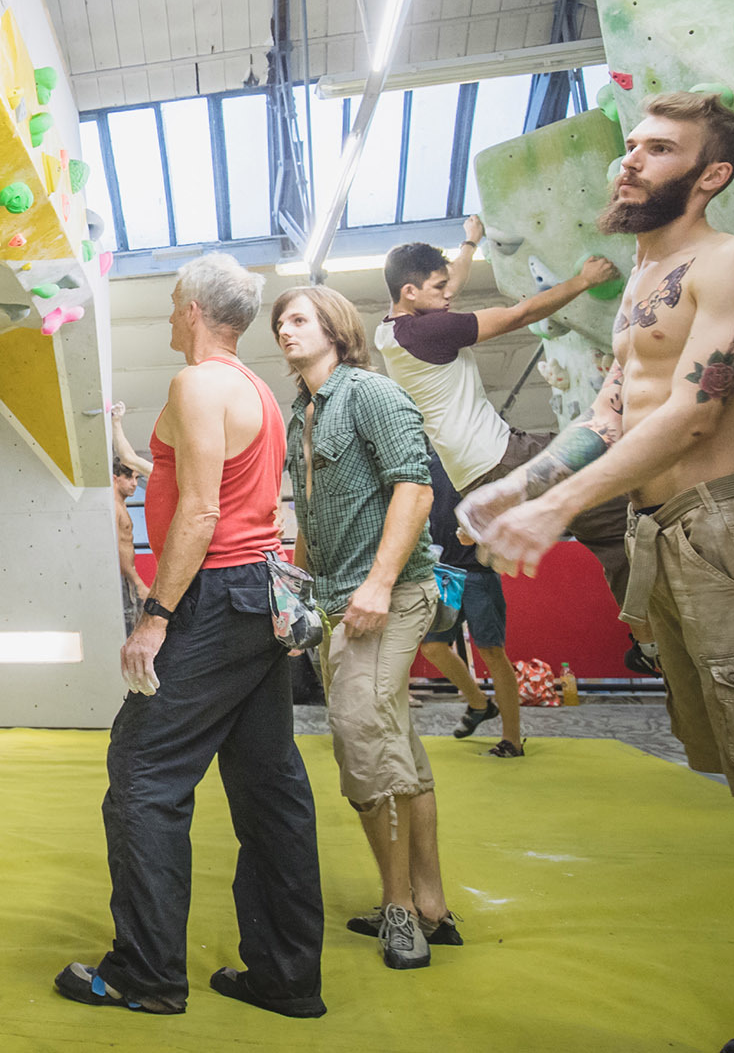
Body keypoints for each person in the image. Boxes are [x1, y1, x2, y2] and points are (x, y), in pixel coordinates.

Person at [459, 92, 734, 1053]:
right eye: (631, 144)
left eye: (659, 147)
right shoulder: (643, 277)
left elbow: (694, 414)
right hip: (673, 540)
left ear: (710, 174)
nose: (631, 160)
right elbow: (612, 416)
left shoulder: (733, 264)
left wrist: (557, 508)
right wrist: (517, 486)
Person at [54, 254, 325, 1022]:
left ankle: (144, 974)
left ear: (197, 310)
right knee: (270, 785)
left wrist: (155, 616)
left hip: (215, 598)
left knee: (142, 771)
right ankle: (286, 976)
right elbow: (214, 487)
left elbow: (201, 514)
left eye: (176, 306)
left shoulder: (196, 383)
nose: (172, 318)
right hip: (258, 600)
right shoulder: (256, 391)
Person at [272, 283, 452, 972]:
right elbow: (313, 518)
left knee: (362, 743)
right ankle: (429, 900)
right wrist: (297, 592)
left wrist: (376, 584)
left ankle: (399, 906)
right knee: (395, 742)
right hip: (335, 601)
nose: (285, 329)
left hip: (387, 597)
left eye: (298, 318)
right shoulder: (302, 413)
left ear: (335, 327)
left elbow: (415, 484)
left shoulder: (370, 393)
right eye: (280, 320)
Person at [377, 220, 635, 609]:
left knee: (596, 509)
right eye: (439, 289)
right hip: (499, 456)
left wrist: (470, 242)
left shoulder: (392, 330)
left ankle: (643, 628)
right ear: (410, 292)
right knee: (611, 507)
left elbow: (452, 282)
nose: (449, 295)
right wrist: (584, 279)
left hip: (473, 470)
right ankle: (648, 627)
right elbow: (520, 314)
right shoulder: (432, 332)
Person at [414, 453, 523, 758]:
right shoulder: (428, 464)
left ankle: (512, 740)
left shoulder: (478, 461)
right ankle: (479, 704)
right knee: (433, 647)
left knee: (491, 650)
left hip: (478, 572)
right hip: (443, 572)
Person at [109, 410, 153, 637]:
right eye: (130, 477)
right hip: (121, 580)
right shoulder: (114, 508)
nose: (135, 484)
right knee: (127, 634)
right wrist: (137, 582)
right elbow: (116, 550)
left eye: (137, 478)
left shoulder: (123, 506)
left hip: (125, 580)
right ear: (116, 478)